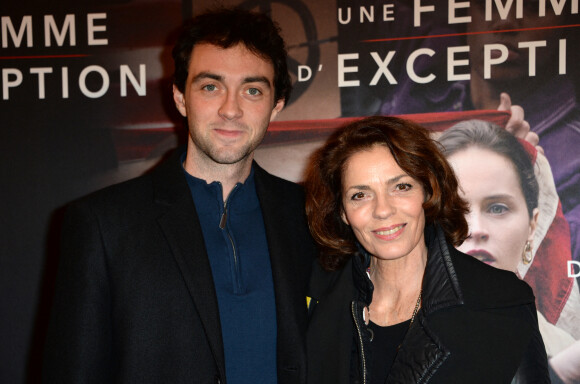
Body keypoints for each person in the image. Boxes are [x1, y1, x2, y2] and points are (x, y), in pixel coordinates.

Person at [42, 8, 316, 384]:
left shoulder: (310, 217)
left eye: (252, 90)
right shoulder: (104, 226)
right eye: (210, 86)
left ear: (277, 105)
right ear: (180, 97)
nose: (230, 109)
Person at [304, 116, 549, 383]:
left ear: (428, 191)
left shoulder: (501, 301)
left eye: (401, 187)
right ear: (342, 211)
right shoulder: (320, 308)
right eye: (360, 195)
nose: (383, 210)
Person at [438, 120, 580, 382]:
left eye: (497, 208)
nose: (476, 229)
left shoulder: (567, 352)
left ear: (532, 226)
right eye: (454, 211)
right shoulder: (372, 344)